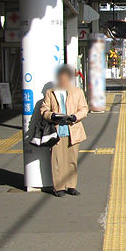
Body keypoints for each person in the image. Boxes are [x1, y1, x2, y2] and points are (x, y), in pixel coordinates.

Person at [41, 65, 88, 197]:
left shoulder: (77, 92)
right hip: (56, 131)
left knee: (72, 160)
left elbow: (84, 109)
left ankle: (71, 186)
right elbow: (44, 110)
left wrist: (75, 117)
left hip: (73, 130)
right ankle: (59, 187)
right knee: (57, 160)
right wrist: (52, 116)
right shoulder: (50, 92)